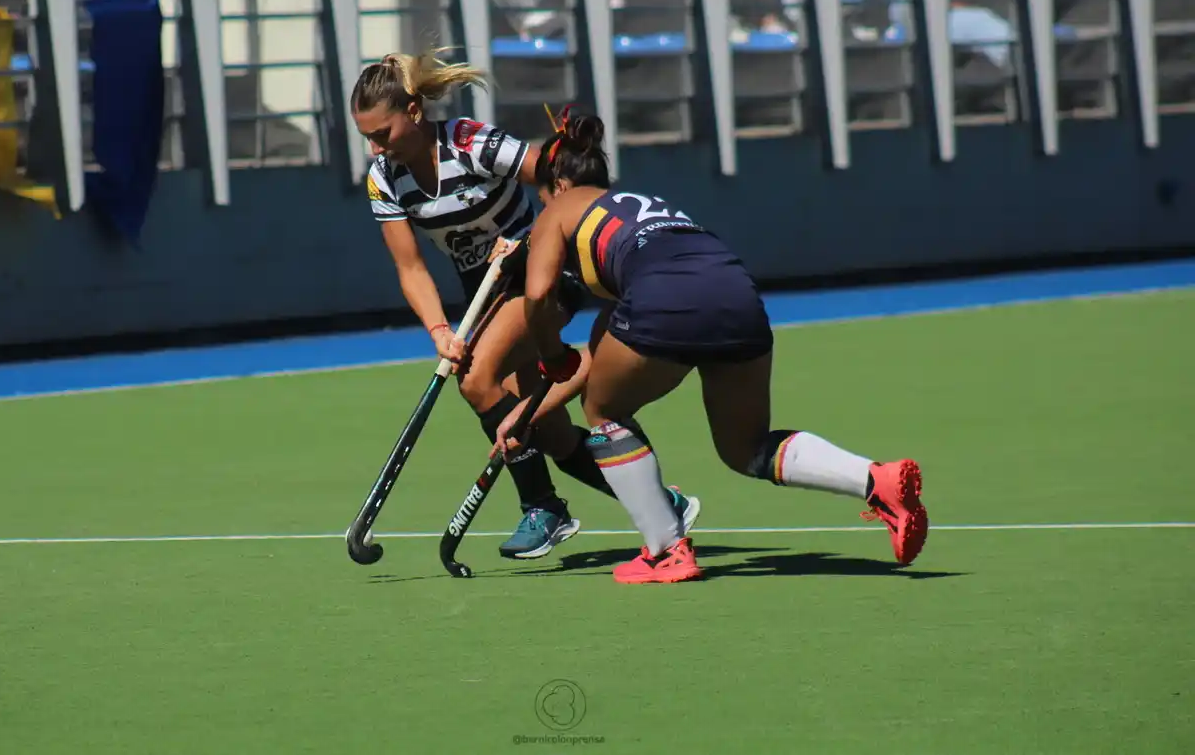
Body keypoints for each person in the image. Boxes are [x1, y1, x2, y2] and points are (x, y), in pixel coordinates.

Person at [493, 109, 929, 584]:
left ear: (556, 184)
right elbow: (604, 352)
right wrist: (528, 415)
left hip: (666, 298)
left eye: (539, 195)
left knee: (604, 414)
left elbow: (537, 296)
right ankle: (876, 480)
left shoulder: (560, 209)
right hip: (734, 288)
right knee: (746, 448)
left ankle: (665, 551)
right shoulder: (636, 210)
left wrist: (550, 353)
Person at [349, 53, 700, 559]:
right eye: (368, 137)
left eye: (383, 132)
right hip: (485, 295)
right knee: (546, 430)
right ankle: (663, 506)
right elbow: (411, 268)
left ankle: (542, 506)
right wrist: (437, 331)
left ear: (414, 111)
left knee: (475, 379)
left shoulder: (468, 142)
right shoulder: (384, 178)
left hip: (544, 271)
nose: (375, 147)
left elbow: (564, 180)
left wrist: (534, 238)